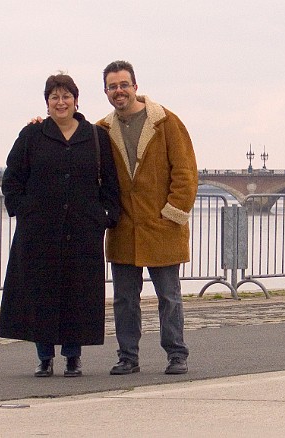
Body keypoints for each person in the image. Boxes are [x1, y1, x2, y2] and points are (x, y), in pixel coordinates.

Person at [0, 73, 120, 377]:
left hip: (82, 231)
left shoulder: (95, 137)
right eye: (54, 97)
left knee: (77, 294)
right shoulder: (31, 136)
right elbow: (12, 180)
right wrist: (23, 211)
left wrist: (106, 218)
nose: (61, 102)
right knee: (41, 293)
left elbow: (111, 184)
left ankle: (73, 357)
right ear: (47, 103)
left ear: (76, 100)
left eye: (66, 96)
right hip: (39, 232)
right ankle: (44, 357)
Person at [98, 60, 198, 375]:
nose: (119, 91)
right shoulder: (101, 130)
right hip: (124, 227)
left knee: (169, 296)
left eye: (123, 84)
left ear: (135, 86)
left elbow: (185, 172)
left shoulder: (166, 122)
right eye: (112, 86)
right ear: (106, 91)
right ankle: (128, 356)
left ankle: (176, 354)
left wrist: (173, 213)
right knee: (125, 300)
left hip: (161, 226)